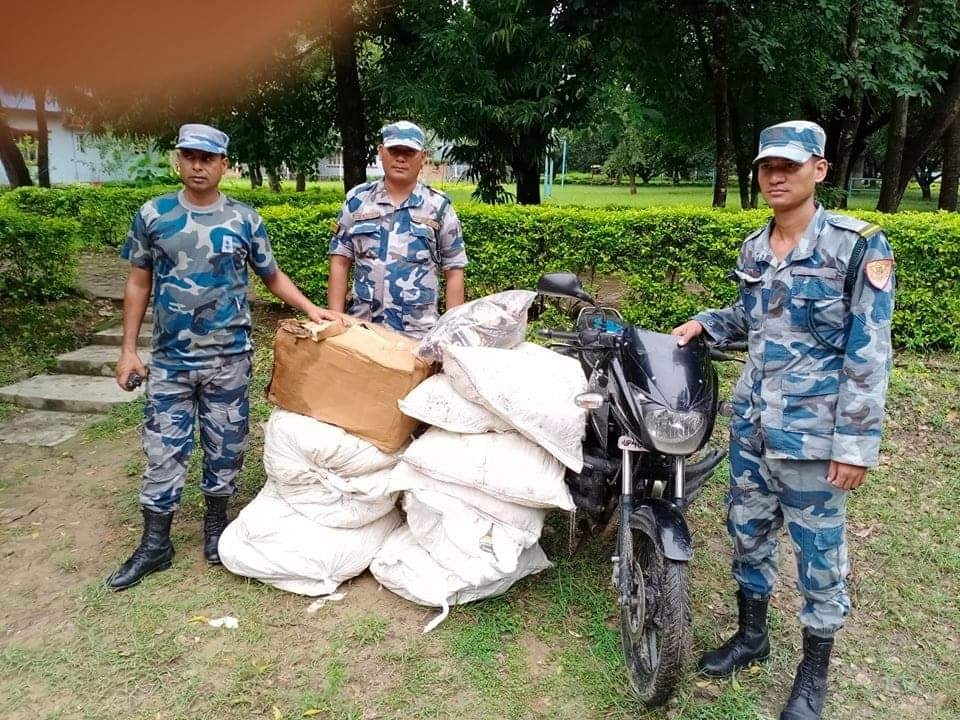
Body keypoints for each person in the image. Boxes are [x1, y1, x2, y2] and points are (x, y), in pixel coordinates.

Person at [672, 120, 895, 720]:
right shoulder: (752, 248)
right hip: (752, 426)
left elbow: (869, 351)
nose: (775, 176)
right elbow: (753, 318)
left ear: (819, 170)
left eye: (789, 166)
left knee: (819, 558)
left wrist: (855, 444)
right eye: (767, 166)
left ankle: (813, 676)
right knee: (746, 534)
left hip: (815, 438)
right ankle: (753, 637)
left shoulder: (856, 246)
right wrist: (705, 324)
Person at [107, 123, 344, 591]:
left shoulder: (244, 219)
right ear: (179, 160)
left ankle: (216, 527)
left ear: (224, 165)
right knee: (162, 451)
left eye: (209, 158)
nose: (199, 165)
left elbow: (271, 275)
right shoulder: (154, 215)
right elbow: (138, 282)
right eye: (190, 156)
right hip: (172, 362)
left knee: (227, 449)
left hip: (229, 360)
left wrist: (310, 307)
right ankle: (156, 543)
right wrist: (128, 350)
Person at [327, 121, 467, 338]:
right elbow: (340, 261)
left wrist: (449, 335)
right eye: (394, 151)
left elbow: (454, 271)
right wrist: (336, 321)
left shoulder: (438, 208)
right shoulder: (357, 201)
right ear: (381, 152)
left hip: (418, 335)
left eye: (409, 152)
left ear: (422, 157)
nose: (400, 158)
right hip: (363, 330)